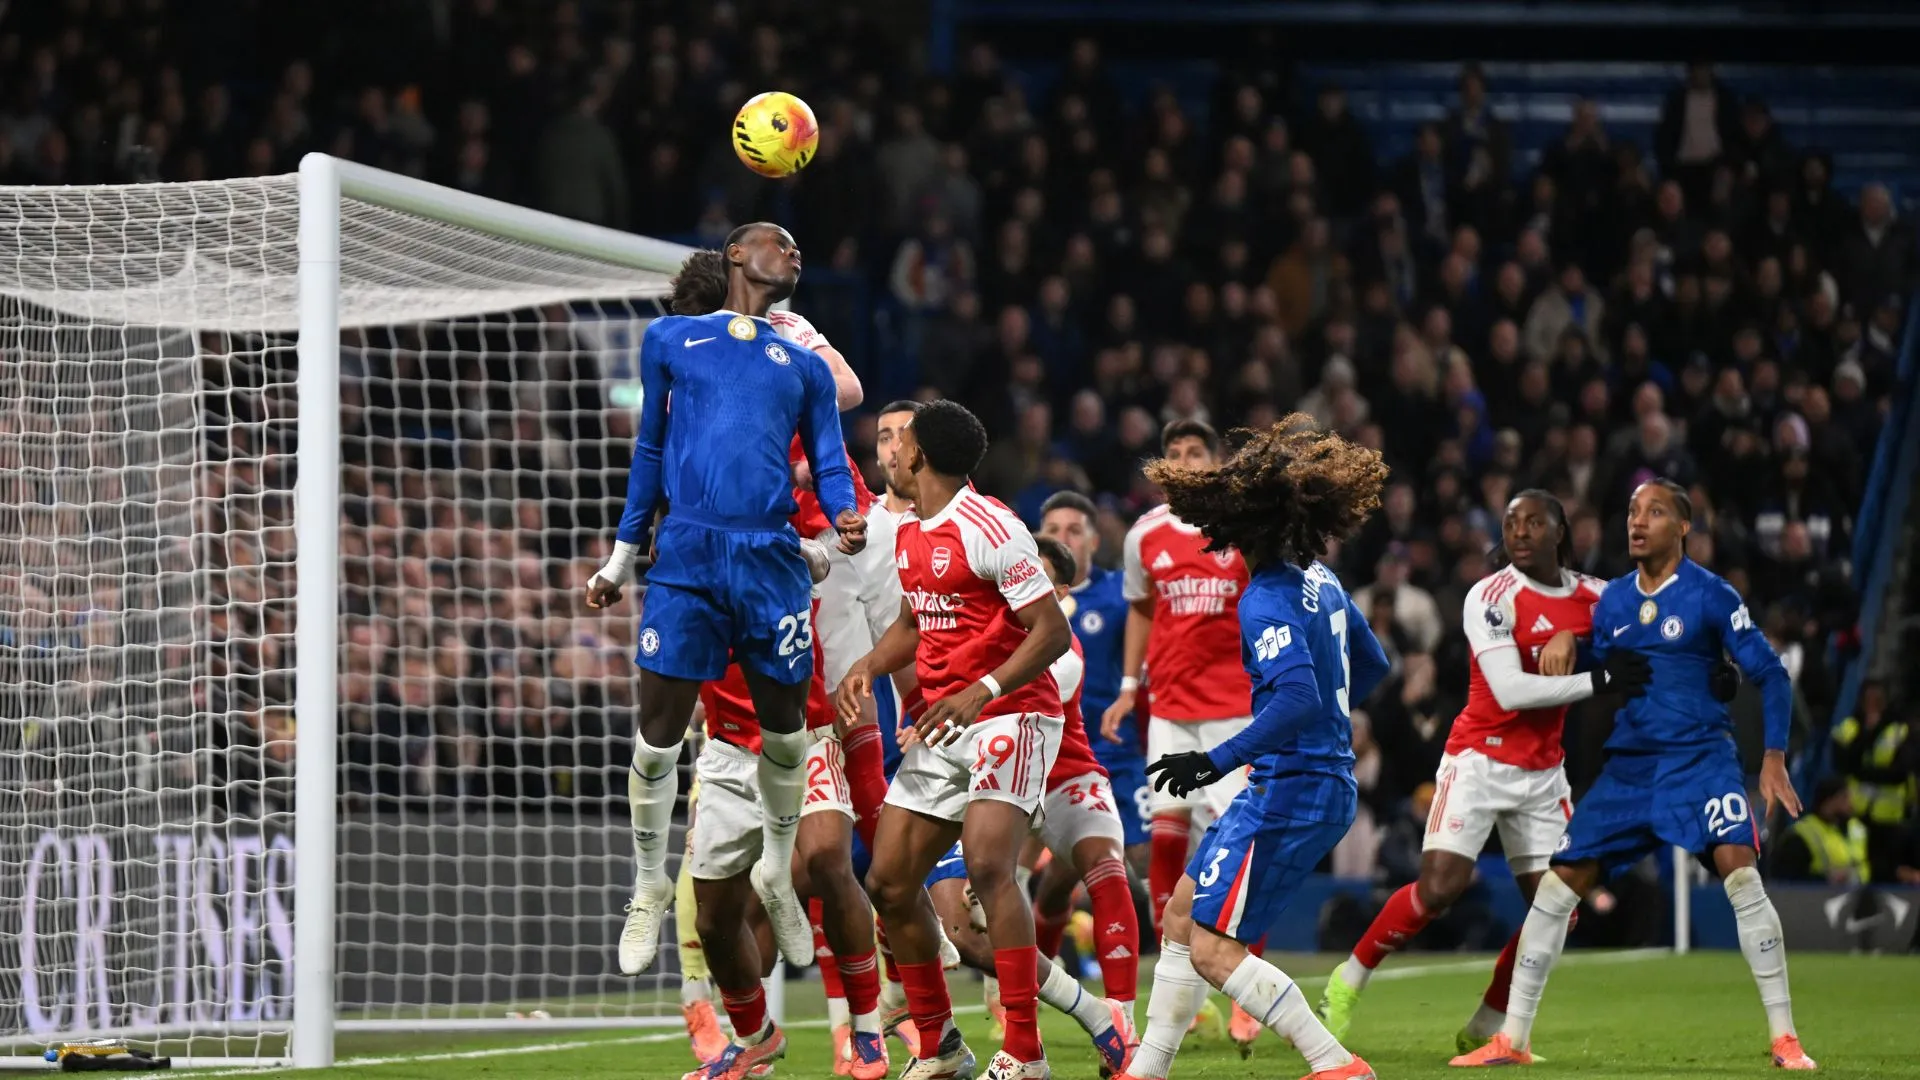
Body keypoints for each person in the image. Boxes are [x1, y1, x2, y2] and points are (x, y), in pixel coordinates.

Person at [1452, 479, 1818, 1070]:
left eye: (1654, 512)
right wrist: (1574, 639)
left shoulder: (1712, 596)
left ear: (1682, 528)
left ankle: (1785, 1038)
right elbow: (1605, 657)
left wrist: (1772, 757)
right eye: (1631, 511)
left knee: (1740, 876)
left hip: (1700, 761)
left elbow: (1770, 674)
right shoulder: (1615, 601)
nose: (1637, 522)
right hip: (1631, 768)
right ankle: (1512, 1039)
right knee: (1557, 886)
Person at [589, 223, 868, 978]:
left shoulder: (804, 365)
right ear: (735, 257)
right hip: (687, 554)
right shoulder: (673, 340)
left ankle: (777, 872)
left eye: (797, 242)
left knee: (788, 732)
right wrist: (619, 558)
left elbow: (833, 460)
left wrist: (843, 510)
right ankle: (648, 884)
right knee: (658, 731)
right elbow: (649, 449)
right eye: (779, 241)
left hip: (767, 557)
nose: (795, 249)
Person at [1317, 490, 1653, 1051]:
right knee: (1438, 890)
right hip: (1479, 759)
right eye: (1511, 523)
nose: (1520, 532)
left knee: (1559, 911)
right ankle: (1347, 981)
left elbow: (1643, 638)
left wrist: (1582, 640)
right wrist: (1601, 677)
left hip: (1543, 774)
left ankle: (1487, 1025)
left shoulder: (1599, 597)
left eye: (1534, 523)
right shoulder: (1490, 595)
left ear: (1560, 532)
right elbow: (1511, 689)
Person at [1114, 416, 1393, 1080]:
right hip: (1303, 782)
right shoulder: (1320, 578)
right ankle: (1148, 1068)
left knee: (1211, 950)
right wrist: (1329, 710)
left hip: (1290, 789)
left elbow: (1295, 699)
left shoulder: (1265, 598)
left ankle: (1333, 1063)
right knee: (1182, 912)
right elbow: (1374, 667)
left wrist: (1215, 761)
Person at [836, 399, 1077, 1080]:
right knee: (887, 879)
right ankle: (941, 1044)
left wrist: (987, 690)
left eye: (901, 442)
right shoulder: (911, 529)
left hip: (1014, 712)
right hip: (949, 721)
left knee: (988, 865)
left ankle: (1026, 1053)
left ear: (920, 455)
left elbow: (1051, 632)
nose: (892, 452)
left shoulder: (990, 525)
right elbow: (916, 623)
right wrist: (868, 664)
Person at [1101, 419, 1264, 1051]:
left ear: (1217, 463)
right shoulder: (1145, 535)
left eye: (1196, 452)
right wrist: (1126, 685)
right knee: (1166, 841)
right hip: (1169, 710)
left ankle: (1246, 991)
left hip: (1234, 714)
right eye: (1174, 453)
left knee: (1239, 849)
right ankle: (1178, 989)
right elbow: (1142, 610)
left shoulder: (1243, 531)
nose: (1185, 461)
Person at [675, 541, 835, 1080]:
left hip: (801, 742)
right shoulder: (687, 575)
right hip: (725, 751)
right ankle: (754, 1040)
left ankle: (871, 1025)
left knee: (824, 864)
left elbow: (824, 563)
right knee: (713, 915)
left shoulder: (791, 552)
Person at [1039, 491, 1149, 875]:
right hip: (1046, 751)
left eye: (1073, 530)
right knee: (1052, 874)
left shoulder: (1122, 595)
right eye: (1053, 529)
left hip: (1115, 748)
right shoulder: (1020, 599)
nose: (1062, 538)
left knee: (1142, 856)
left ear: (1093, 541)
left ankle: (1155, 935)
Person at [1772, 776, 1871, 885]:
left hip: (1858, 897)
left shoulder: (1857, 829)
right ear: (1829, 802)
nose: (1851, 803)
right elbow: (1788, 881)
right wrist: (1825, 879)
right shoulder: (1802, 835)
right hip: (1817, 898)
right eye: (1844, 797)